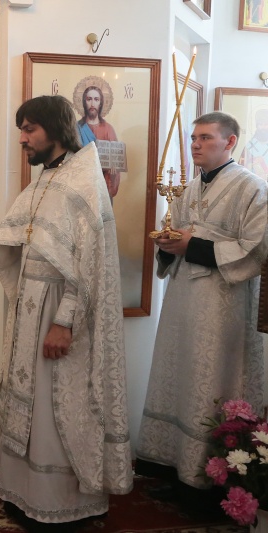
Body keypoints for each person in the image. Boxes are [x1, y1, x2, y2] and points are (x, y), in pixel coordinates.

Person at [0, 95, 132, 529]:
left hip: (57, 311)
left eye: (30, 129)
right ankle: (23, 493)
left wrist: (64, 322)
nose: (23, 138)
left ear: (54, 129)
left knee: (55, 407)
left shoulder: (82, 182)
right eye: (22, 129)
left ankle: (59, 502)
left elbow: (87, 268)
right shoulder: (51, 177)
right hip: (32, 307)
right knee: (30, 398)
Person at [136, 112, 268, 515]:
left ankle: (206, 485)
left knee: (211, 384)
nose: (195, 144)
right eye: (193, 137)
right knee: (180, 380)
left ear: (229, 142)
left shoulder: (253, 189)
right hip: (182, 303)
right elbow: (175, 233)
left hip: (222, 307)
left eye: (205, 137)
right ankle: (176, 470)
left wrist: (192, 245)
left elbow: (256, 248)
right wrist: (167, 242)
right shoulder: (189, 188)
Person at [76, 84, 122, 198]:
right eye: (89, 99)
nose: (92, 104)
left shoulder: (108, 129)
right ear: (84, 102)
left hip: (103, 187)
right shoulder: (76, 129)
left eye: (96, 99)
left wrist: (112, 172)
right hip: (82, 186)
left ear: (100, 103)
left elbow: (115, 160)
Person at [238, 107, 268, 179]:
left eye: (266, 124)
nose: (263, 127)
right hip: (253, 183)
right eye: (260, 124)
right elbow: (241, 168)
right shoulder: (250, 146)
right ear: (257, 126)